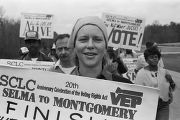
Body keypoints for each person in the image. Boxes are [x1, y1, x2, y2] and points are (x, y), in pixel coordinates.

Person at [67, 16, 132, 84]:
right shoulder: (59, 86)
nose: (90, 45)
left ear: (105, 46)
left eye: (97, 40)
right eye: (83, 39)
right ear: (74, 45)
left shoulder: (126, 88)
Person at [135, 46, 176, 120]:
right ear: (147, 60)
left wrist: (171, 81)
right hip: (148, 106)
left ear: (159, 58)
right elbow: (137, 92)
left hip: (163, 105)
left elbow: (172, 87)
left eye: (156, 57)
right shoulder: (141, 74)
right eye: (151, 57)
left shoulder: (164, 72)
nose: (154, 59)